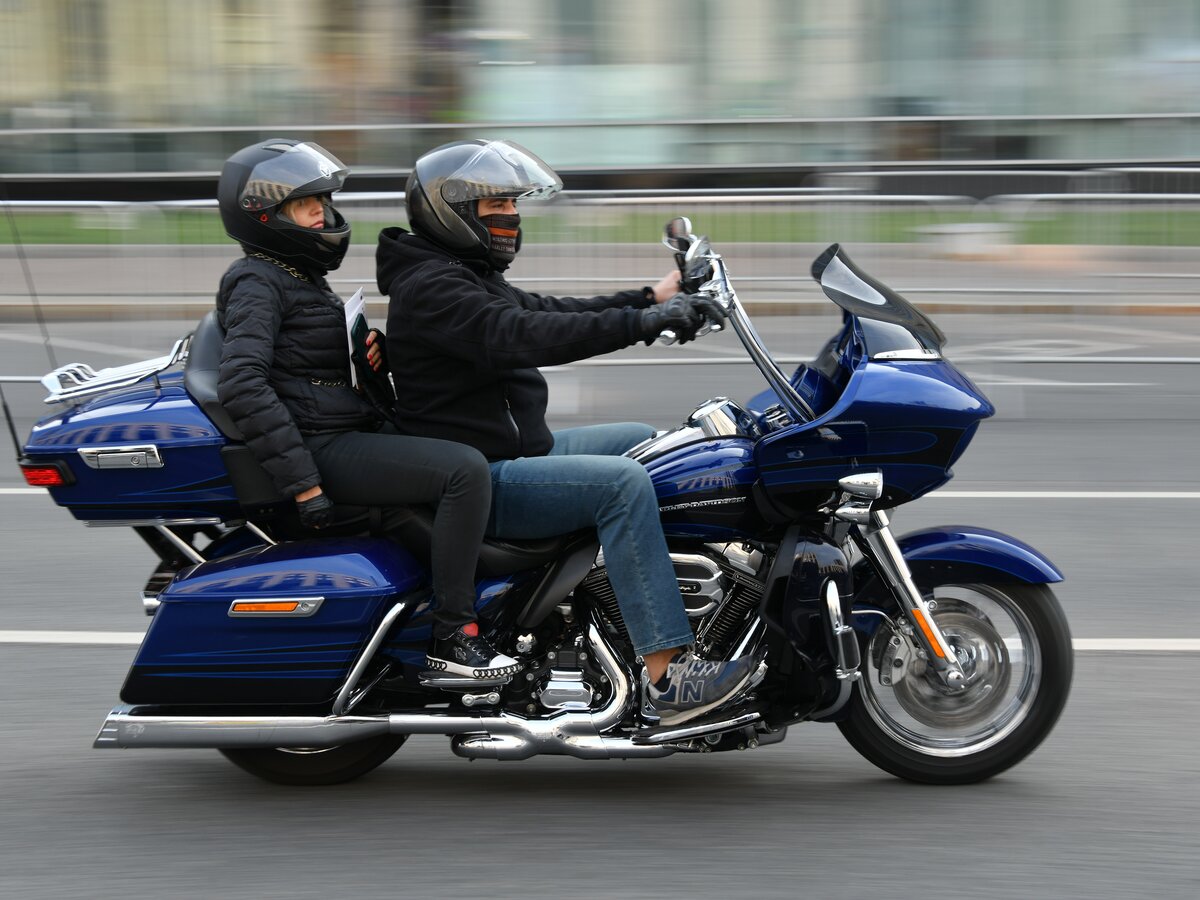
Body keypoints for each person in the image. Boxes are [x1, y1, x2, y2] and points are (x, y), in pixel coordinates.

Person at [376, 138, 757, 725]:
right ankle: (667, 674)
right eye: (495, 204)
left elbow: (549, 309)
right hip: (486, 476)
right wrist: (643, 322)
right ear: (451, 208)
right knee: (623, 485)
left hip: (515, 448)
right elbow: (526, 334)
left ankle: (683, 591)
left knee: (647, 443)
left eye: (512, 202)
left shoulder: (457, 272)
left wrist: (653, 297)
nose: (510, 215)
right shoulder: (433, 288)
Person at [215, 138, 517, 679]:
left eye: (325, 204)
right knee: (463, 471)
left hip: (337, 429)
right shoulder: (257, 281)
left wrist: (365, 359)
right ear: (265, 215)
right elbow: (242, 382)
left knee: (462, 446)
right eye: (310, 206)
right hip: (318, 446)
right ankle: (454, 634)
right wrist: (303, 482)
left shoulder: (296, 276)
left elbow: (308, 371)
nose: (325, 215)